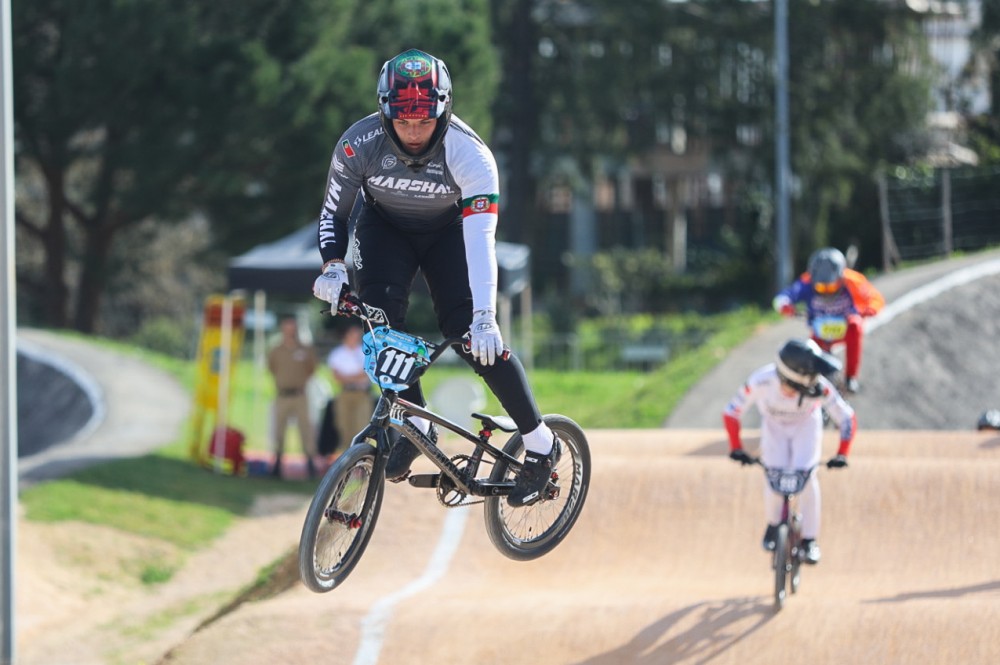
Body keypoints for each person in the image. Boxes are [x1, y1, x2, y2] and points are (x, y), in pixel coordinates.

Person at [310, 48, 559, 507]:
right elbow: (333, 213)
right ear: (385, 113)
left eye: (424, 122)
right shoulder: (357, 143)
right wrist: (332, 265)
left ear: (443, 110)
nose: (413, 133)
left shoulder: (472, 156)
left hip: (451, 233)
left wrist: (486, 316)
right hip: (383, 227)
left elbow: (482, 241)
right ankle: (417, 423)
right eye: (402, 123)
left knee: (469, 337)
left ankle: (541, 443)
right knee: (381, 325)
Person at [723, 338, 856, 565]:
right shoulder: (761, 381)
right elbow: (731, 412)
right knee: (773, 475)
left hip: (806, 427)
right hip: (774, 429)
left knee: (806, 477)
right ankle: (773, 525)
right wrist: (736, 448)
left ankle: (809, 540)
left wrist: (843, 453)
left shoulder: (819, 387)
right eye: (796, 388)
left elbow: (846, 417)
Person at [772, 247, 885, 393]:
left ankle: (851, 378)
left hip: (845, 329)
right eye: (820, 287)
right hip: (819, 332)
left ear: (840, 277)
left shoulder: (852, 280)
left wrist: (870, 309)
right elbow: (786, 295)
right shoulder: (807, 281)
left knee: (856, 326)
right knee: (809, 352)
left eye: (830, 286)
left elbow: (874, 297)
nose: (825, 291)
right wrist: (784, 305)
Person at [267, 316, 319, 478]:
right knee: (279, 428)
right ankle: (277, 463)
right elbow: (272, 368)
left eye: (292, 328)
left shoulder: (305, 349)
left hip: (299, 395)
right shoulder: (276, 350)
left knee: (305, 428)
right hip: (282, 395)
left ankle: (310, 463)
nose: (290, 331)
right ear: (282, 329)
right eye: (286, 328)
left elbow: (311, 368)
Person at [326, 322, 374, 455]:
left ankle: (361, 457)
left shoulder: (365, 352)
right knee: (344, 425)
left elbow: (367, 373)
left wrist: (348, 376)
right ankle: (347, 458)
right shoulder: (337, 353)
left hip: (362, 394)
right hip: (345, 393)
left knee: (361, 425)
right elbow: (337, 376)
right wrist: (356, 377)